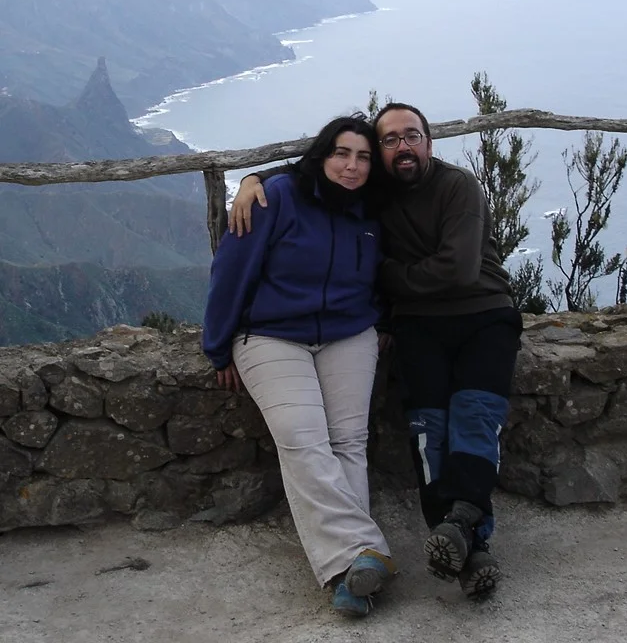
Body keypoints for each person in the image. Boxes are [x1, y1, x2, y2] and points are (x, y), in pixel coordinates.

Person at [230, 102, 522, 600]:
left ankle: (465, 529)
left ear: (429, 142)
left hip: (482, 314)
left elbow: (458, 271)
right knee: (428, 429)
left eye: (412, 136)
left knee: (475, 415)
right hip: (418, 325)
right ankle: (464, 550)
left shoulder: (458, 187)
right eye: (390, 140)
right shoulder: (376, 190)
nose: (402, 146)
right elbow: (320, 168)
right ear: (381, 153)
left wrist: (389, 279)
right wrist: (253, 178)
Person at [202, 114, 397, 619]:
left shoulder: (373, 210)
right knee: (300, 435)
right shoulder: (278, 197)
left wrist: (383, 323)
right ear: (322, 155)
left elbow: (387, 273)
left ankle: (350, 577)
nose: (351, 166)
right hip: (270, 334)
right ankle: (364, 550)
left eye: (363, 157)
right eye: (341, 153)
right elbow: (230, 272)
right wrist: (218, 347)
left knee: (348, 438)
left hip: (349, 332)